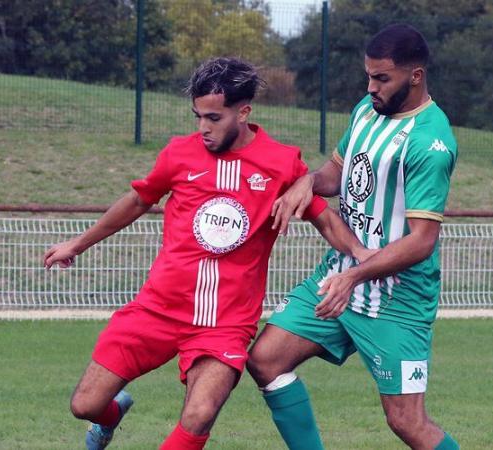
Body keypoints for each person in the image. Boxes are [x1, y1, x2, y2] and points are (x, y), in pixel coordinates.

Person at [44, 57, 372, 450]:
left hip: (225, 326)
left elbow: (326, 221)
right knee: (85, 404)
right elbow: (136, 201)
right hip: (157, 309)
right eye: (198, 116)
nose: (203, 127)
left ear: (243, 111)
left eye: (214, 118)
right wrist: (76, 244)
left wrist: (361, 254)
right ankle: (111, 415)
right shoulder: (177, 155)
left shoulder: (281, 164)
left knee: (199, 415)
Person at [247, 24, 460, 450]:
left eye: (382, 78)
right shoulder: (366, 110)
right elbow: (338, 175)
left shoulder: (430, 142)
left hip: (397, 300)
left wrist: (354, 278)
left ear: (414, 76)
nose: (371, 86)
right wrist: (306, 182)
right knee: (265, 360)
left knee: (406, 422)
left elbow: (421, 241)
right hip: (339, 275)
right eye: (368, 76)